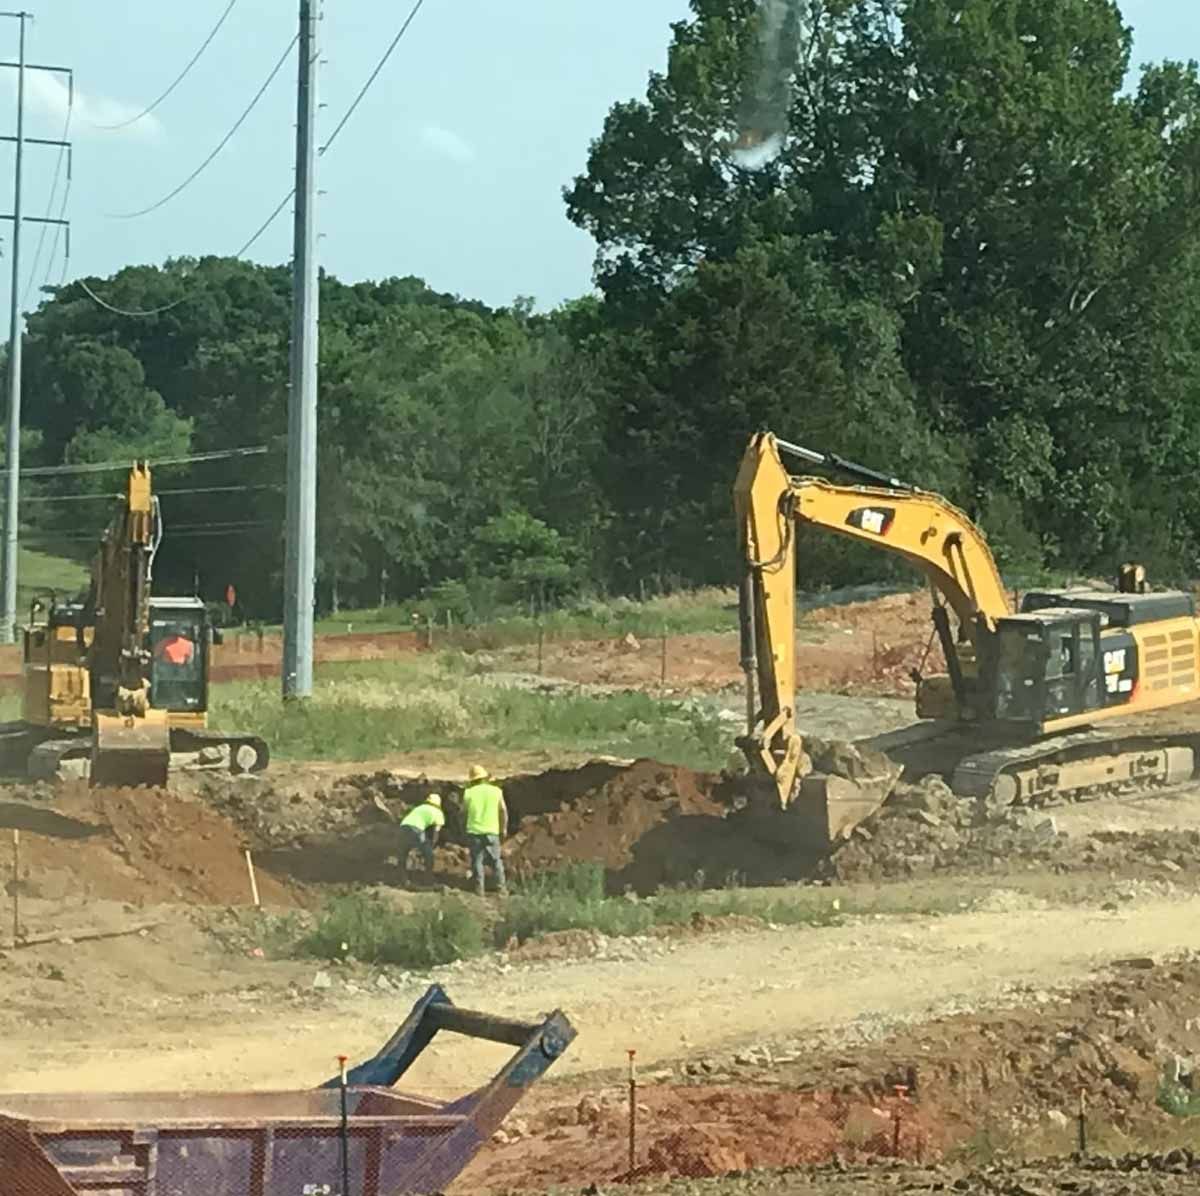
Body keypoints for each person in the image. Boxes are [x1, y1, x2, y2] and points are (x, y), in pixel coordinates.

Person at [462, 764, 507, 897]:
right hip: (492, 831)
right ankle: (501, 889)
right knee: (496, 861)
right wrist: (503, 828)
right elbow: (503, 810)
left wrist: (464, 828)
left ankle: (479, 890)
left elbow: (463, 813)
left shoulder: (468, 793)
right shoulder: (496, 791)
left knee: (477, 861)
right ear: (485, 778)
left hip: (474, 832)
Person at [396, 793, 444, 888]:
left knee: (403, 854)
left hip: (403, 827)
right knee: (428, 854)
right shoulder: (438, 813)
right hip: (416, 829)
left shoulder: (420, 807)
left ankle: (403, 880)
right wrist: (433, 844)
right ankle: (428, 879)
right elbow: (436, 832)